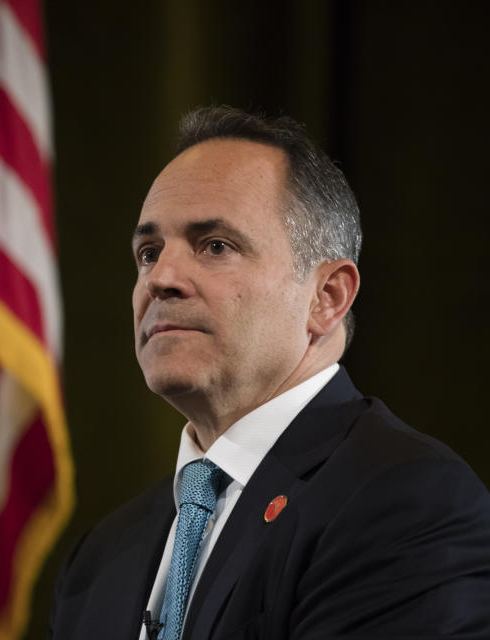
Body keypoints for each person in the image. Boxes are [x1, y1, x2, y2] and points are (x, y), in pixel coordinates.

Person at [49, 106, 490, 639]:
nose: (160, 278)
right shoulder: (100, 558)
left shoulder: (407, 502)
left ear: (326, 298)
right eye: (148, 252)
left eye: (215, 246)